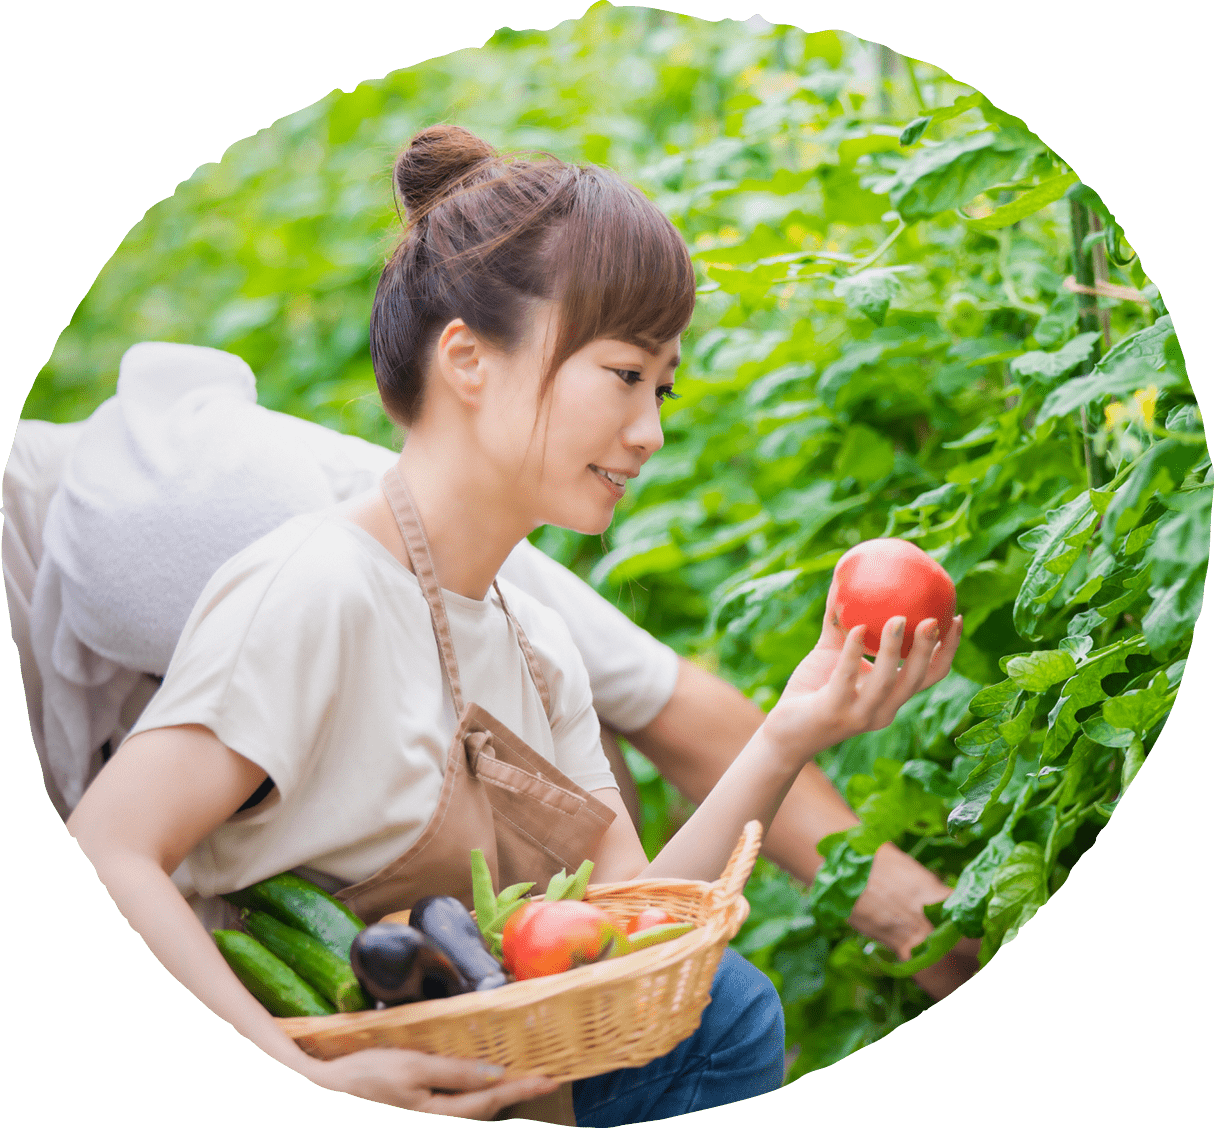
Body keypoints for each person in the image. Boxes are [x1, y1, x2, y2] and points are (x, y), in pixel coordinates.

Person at [52, 124, 964, 1121]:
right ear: (466, 360)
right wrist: (297, 1074)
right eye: (622, 375)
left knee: (724, 1007)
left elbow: (622, 919)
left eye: (663, 387)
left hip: (499, 1081)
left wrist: (791, 731)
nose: (650, 430)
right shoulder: (318, 586)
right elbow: (104, 852)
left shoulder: (531, 638)